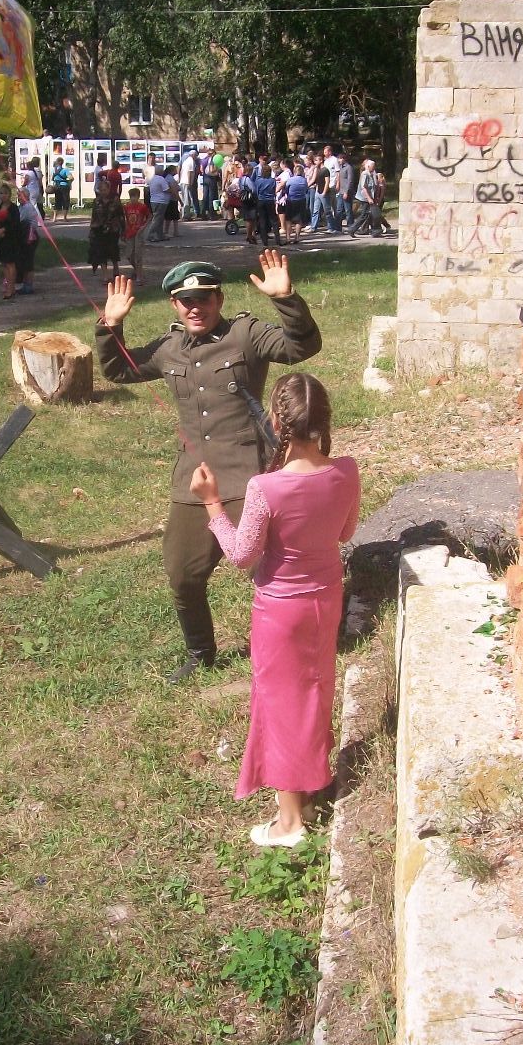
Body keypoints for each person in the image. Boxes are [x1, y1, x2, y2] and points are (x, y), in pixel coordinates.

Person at [95, 252, 322, 682]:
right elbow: (117, 370)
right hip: (195, 481)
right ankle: (201, 653)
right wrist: (111, 325)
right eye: (185, 300)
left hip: (247, 475)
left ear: (219, 298)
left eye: (204, 297)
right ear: (174, 305)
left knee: (270, 570)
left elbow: (301, 346)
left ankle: (297, 643)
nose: (195, 307)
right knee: (182, 573)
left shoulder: (245, 334)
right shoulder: (169, 348)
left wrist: (286, 298)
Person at [190, 372, 360, 845]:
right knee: (313, 691)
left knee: (280, 704)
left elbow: (243, 554)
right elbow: (345, 533)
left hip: (280, 611)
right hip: (326, 600)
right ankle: (307, 787)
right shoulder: (347, 470)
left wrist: (212, 506)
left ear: (276, 419)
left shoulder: (267, 487)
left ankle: (289, 824)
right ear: (324, 420)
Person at [88, 176, 124, 281]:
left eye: (105, 189)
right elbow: (94, 215)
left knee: (113, 249)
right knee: (101, 251)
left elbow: (121, 215)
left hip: (113, 229)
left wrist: (123, 229)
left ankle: (116, 268)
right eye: (101, 190)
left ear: (109, 189)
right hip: (99, 229)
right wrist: (92, 229)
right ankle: (105, 275)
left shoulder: (115, 199)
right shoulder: (97, 201)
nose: (103, 192)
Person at [0, 182, 23, 298]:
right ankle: (8, 287)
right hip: (1, 239)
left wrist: (4, 230)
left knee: (11, 264)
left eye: (5, 193)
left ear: (9, 194)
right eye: (1, 193)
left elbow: (15, 224)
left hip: (11, 239)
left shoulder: (13, 208)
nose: (3, 195)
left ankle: (11, 288)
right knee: (4, 264)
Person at [123, 186, 151, 284]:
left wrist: (144, 227)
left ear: (138, 197)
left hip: (138, 233)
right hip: (130, 232)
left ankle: (139, 276)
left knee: (138, 255)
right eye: (131, 196)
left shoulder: (142, 207)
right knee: (129, 255)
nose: (133, 198)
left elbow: (149, 217)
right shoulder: (126, 207)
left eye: (135, 196)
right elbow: (126, 219)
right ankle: (136, 269)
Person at [17, 188, 41, 294]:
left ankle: (29, 285)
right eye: (18, 195)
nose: (19, 197)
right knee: (25, 261)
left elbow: (19, 220)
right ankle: (25, 283)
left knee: (29, 262)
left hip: (30, 236)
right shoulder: (21, 207)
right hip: (23, 236)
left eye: (20, 195)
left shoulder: (27, 207)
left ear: (26, 196)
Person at [146, 163, 172, 242]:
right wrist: (172, 190)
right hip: (161, 201)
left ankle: (160, 235)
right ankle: (149, 235)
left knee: (160, 219)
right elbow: (166, 189)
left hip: (153, 200)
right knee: (157, 219)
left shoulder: (152, 179)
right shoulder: (161, 179)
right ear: (160, 171)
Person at [335, 153, 355, 233]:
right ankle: (338, 227)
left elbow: (350, 181)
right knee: (339, 209)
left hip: (347, 192)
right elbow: (339, 178)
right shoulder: (340, 167)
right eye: (338, 159)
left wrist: (346, 192)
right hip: (340, 191)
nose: (338, 160)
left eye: (340, 159)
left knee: (348, 210)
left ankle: (351, 227)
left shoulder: (348, 167)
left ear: (344, 159)